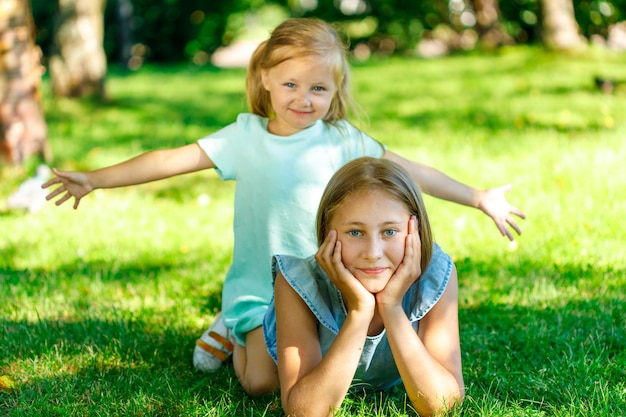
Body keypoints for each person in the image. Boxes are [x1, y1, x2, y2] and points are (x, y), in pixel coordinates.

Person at [42, 18, 521, 396]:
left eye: (318, 89)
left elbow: (411, 172)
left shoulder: (342, 140)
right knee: (260, 384)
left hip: (323, 287)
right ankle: (232, 327)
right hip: (261, 285)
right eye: (290, 84)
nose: (304, 99)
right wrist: (95, 180)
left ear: (335, 92)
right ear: (265, 77)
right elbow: (169, 161)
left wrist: (478, 197)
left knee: (316, 368)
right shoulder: (244, 138)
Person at [263, 156, 464, 417]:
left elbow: (442, 406)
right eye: (355, 232)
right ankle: (238, 323)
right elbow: (304, 412)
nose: (372, 253)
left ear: (416, 231)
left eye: (389, 231)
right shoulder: (297, 284)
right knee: (259, 380)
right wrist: (360, 312)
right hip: (273, 336)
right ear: (327, 233)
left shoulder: (436, 275)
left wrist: (391, 307)